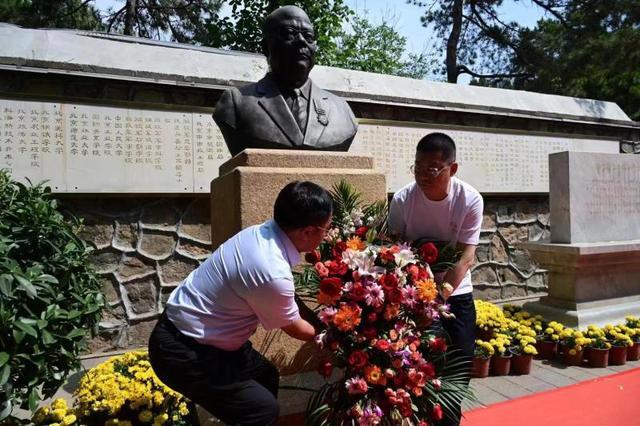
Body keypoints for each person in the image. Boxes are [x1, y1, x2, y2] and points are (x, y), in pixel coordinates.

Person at [148, 181, 332, 425]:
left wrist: (327, 322)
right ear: (308, 231)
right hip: (184, 350)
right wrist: (336, 335)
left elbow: (292, 302)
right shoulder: (271, 269)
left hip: (203, 338)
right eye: (326, 229)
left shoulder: (261, 234)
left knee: (265, 375)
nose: (327, 236)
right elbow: (295, 328)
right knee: (260, 411)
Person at [388, 132, 483, 426]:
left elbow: (466, 257)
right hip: (415, 298)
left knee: (458, 366)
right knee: (421, 370)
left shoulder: (469, 200)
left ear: (452, 169)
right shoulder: (404, 199)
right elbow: (393, 249)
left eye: (431, 168)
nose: (422, 175)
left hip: (454, 295)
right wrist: (419, 297)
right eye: (417, 167)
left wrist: (438, 296)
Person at [213, 5, 358, 156]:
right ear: (266, 47)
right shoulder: (236, 102)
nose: (302, 41)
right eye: (289, 34)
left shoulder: (342, 109)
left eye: (309, 37)